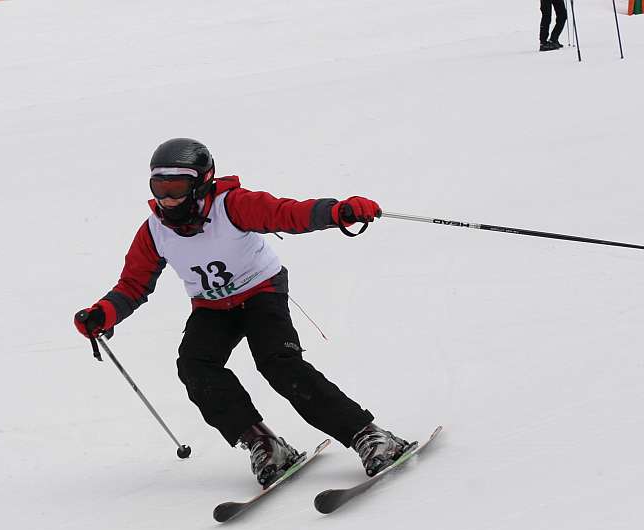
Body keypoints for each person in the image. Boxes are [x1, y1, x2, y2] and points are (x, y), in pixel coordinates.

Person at [74, 138, 412, 489]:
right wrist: (103, 314)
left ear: (202, 181)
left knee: (278, 362)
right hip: (212, 307)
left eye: (177, 188)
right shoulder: (155, 231)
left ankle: (369, 435)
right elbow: (133, 284)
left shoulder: (232, 205)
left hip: (261, 292)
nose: (168, 199)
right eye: (160, 188)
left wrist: (337, 211)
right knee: (194, 365)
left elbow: (287, 213)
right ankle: (264, 443)